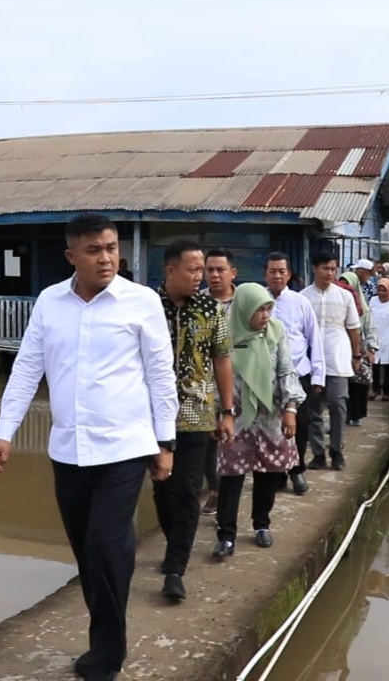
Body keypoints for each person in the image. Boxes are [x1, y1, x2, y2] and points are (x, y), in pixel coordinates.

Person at [0, 213, 178, 681]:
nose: (106, 258)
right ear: (72, 255)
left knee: (107, 546)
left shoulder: (141, 302)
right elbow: (27, 369)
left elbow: (160, 373)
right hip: (69, 450)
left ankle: (107, 654)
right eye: (94, 250)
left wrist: (165, 440)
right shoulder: (51, 303)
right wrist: (4, 431)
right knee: (85, 551)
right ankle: (104, 635)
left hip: (124, 447)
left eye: (111, 248)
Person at [156, 240, 236, 602]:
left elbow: (222, 359)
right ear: (171, 270)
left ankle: (175, 569)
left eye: (203, 269)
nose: (200, 276)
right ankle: (173, 544)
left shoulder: (210, 309)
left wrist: (228, 410)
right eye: (193, 269)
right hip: (151, 416)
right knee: (162, 489)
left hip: (196, 413)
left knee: (188, 490)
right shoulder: (147, 308)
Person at [211, 283, 305, 559]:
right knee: (230, 476)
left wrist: (290, 408)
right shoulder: (225, 333)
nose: (265, 315)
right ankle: (225, 535)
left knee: (269, 474)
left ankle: (261, 524)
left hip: (270, 416)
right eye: (259, 310)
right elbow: (216, 375)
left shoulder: (276, 332)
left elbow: (286, 370)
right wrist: (219, 412)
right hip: (236, 417)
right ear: (243, 309)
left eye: (268, 309)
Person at [264, 252, 324, 496]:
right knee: (272, 427)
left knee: (299, 426)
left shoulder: (300, 303)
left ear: (289, 274)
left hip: (300, 376)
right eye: (272, 271)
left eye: (282, 271)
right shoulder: (258, 301)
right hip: (267, 379)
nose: (277, 275)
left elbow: (314, 339)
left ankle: (296, 470)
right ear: (265, 274)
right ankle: (276, 472)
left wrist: (318, 377)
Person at [300, 251, 363, 471]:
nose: (330, 273)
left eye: (333, 268)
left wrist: (357, 355)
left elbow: (354, 329)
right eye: (325, 268)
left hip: (338, 358)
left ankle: (336, 449)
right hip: (310, 361)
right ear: (315, 268)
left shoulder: (345, 296)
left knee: (338, 404)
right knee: (313, 409)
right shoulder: (304, 297)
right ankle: (318, 454)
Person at [199, 248, 238, 516]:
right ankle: (214, 490)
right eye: (209, 270)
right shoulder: (197, 302)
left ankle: (230, 494)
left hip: (238, 383)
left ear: (232, 273)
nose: (214, 275)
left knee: (234, 441)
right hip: (203, 385)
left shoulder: (244, 304)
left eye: (219, 270)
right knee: (207, 443)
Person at [340, 262, 378, 428]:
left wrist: (371, 348)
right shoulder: (338, 304)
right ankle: (341, 417)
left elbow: (370, 329)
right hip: (341, 350)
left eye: (347, 284)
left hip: (358, 350)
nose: (344, 288)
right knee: (342, 386)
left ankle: (356, 415)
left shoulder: (363, 308)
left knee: (358, 385)